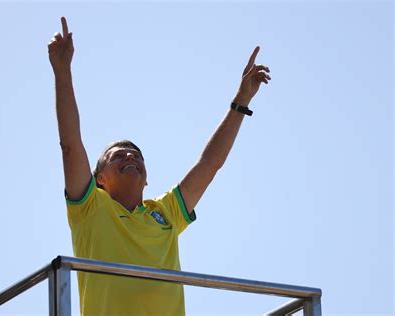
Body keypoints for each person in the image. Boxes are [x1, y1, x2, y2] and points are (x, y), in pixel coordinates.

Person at [48, 16, 270, 316]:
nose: (131, 157)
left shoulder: (164, 212)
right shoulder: (88, 208)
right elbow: (70, 145)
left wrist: (241, 101)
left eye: (137, 156)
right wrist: (62, 73)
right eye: (119, 155)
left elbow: (210, 163)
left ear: (147, 179)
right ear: (99, 178)